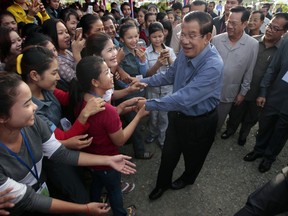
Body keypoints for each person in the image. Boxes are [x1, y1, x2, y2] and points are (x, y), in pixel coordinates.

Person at [0, 71, 136, 215]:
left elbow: (60, 153)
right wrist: (86, 209)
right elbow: (31, 200)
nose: (35, 107)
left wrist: (108, 160)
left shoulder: (33, 123)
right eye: (27, 104)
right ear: (2, 117)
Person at [137, 11, 223, 200]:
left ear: (207, 37)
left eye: (192, 35)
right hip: (177, 116)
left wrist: (149, 104)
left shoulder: (213, 65)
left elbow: (184, 98)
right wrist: (144, 81)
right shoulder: (185, 52)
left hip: (200, 122)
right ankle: (162, 184)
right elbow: (169, 75)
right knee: (168, 154)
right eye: (182, 34)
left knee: (194, 158)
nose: (184, 41)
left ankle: (187, 179)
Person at [74, 56, 148, 216]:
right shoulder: (106, 110)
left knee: (97, 184)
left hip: (93, 158)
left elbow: (104, 122)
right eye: (107, 72)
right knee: (114, 191)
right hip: (108, 161)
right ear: (95, 82)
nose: (111, 75)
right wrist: (138, 116)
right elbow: (120, 140)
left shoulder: (83, 101)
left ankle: (95, 207)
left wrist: (123, 106)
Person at [221, 13, 288, 146]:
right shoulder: (252, 42)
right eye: (269, 25)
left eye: (275, 28)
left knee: (251, 117)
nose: (269, 29)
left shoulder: (282, 51)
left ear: (284, 32)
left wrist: (264, 93)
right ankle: (230, 130)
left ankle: (243, 135)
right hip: (242, 88)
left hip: (261, 93)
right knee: (235, 113)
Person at [243, 37, 288, 173]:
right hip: (275, 96)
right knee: (265, 124)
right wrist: (263, 92)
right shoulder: (286, 42)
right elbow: (273, 68)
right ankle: (258, 149)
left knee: (281, 132)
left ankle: (269, 157)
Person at [211, 6, 258, 132]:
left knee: (218, 121)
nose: (229, 26)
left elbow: (249, 70)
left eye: (233, 23)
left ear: (244, 24)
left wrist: (243, 93)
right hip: (209, 89)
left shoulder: (253, 45)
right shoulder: (216, 40)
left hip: (229, 92)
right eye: (228, 21)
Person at [144, 22, 176, 149]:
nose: (157, 39)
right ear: (149, 37)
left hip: (167, 91)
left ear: (164, 35)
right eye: (154, 37)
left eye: (160, 36)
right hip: (152, 90)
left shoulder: (170, 50)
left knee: (164, 117)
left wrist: (169, 59)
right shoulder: (146, 53)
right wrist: (157, 64)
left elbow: (175, 71)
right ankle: (152, 133)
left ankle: (162, 139)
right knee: (152, 115)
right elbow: (146, 74)